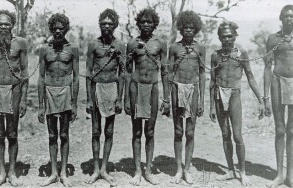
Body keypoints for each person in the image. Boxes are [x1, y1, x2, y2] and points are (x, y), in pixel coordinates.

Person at [209, 21, 264, 186]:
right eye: (223, 36)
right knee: (225, 135)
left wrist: (261, 100)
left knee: (238, 136)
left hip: (234, 95)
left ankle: (242, 172)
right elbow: (212, 82)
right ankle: (230, 170)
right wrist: (211, 106)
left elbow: (251, 77)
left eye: (229, 36)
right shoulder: (215, 55)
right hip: (219, 95)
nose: (227, 39)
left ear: (234, 36)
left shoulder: (242, 53)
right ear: (219, 37)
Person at [124, 8, 170, 186]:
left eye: (149, 22)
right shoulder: (132, 43)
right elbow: (128, 72)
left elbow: (165, 72)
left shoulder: (160, 43)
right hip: (136, 88)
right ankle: (137, 171)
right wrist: (127, 99)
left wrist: (166, 98)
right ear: (138, 23)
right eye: (143, 22)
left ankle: (148, 170)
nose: (146, 25)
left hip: (152, 88)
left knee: (150, 131)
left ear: (154, 24)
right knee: (136, 131)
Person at [37, 13, 79, 187]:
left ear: (66, 29)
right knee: (52, 134)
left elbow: (76, 77)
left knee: (64, 134)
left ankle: (63, 172)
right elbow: (40, 77)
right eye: (55, 28)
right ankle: (53, 172)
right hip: (49, 92)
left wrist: (75, 103)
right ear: (51, 29)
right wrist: (41, 105)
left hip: (66, 93)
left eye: (61, 28)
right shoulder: (44, 50)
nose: (58, 31)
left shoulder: (73, 49)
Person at [85, 9, 125, 187]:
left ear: (115, 25)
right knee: (95, 131)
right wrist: (88, 98)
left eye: (110, 23)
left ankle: (104, 169)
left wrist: (120, 98)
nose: (106, 26)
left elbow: (123, 73)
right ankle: (95, 169)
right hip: (96, 89)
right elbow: (88, 72)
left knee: (109, 131)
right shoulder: (93, 45)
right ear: (100, 25)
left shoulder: (120, 46)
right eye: (103, 23)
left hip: (112, 89)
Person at [167, 10, 205, 184]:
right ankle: (178, 169)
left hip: (194, 90)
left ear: (195, 29)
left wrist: (202, 100)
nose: (189, 30)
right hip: (177, 88)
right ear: (181, 29)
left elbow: (203, 74)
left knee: (190, 132)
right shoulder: (174, 48)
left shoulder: (200, 48)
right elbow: (168, 72)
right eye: (186, 28)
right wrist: (167, 98)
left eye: (192, 28)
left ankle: (187, 169)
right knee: (178, 131)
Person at [0, 10, 28, 187]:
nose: (3, 26)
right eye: (0, 23)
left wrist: (23, 100)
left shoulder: (20, 43)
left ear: (12, 25)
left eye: (6, 24)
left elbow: (25, 71)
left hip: (14, 91)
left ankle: (12, 172)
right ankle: (1, 172)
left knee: (12, 133)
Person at [264, 5, 293, 188]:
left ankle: (290, 175)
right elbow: (267, 67)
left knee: (292, 130)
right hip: (277, 81)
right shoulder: (273, 39)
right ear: (280, 18)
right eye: (286, 16)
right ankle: (279, 174)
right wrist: (265, 97)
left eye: (292, 16)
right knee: (280, 129)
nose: (289, 19)